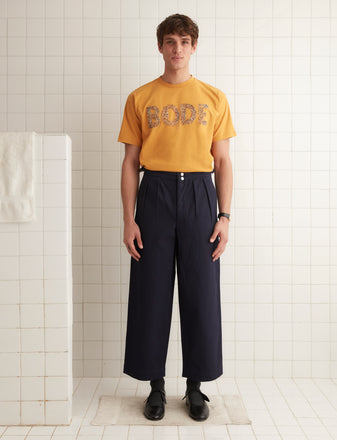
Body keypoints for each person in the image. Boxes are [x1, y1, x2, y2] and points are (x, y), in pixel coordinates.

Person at [118, 13, 236, 421]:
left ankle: (196, 388)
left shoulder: (214, 98)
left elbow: (222, 160)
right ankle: (155, 387)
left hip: (200, 194)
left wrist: (224, 216)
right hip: (155, 194)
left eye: (185, 42)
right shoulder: (140, 98)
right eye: (170, 41)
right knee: (151, 290)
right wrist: (129, 219)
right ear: (160, 47)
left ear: (194, 47)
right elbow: (131, 162)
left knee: (201, 291)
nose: (177, 49)